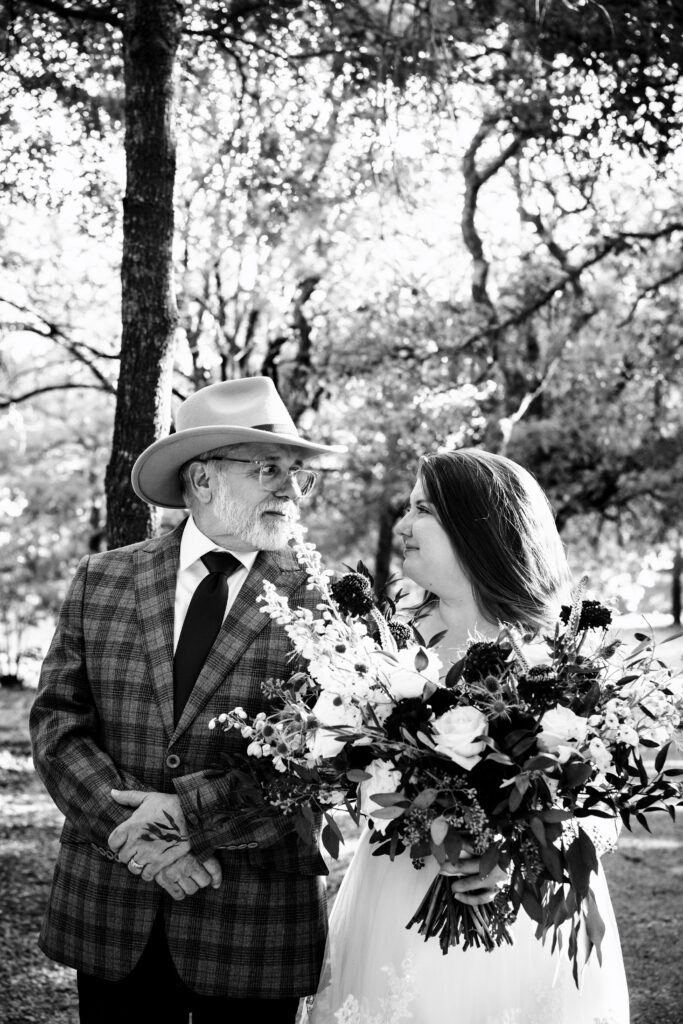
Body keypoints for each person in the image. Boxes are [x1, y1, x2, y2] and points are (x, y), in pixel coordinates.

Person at [30, 376, 344, 1024]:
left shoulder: (331, 600)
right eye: (268, 470)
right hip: (114, 911)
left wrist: (187, 822)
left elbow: (328, 758)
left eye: (298, 474)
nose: (290, 489)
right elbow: (57, 722)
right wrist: (130, 834)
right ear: (202, 481)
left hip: (254, 925)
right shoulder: (103, 577)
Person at [307, 449, 629, 1024]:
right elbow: (355, 777)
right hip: (396, 896)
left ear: (476, 526)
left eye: (422, 509)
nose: (402, 525)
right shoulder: (383, 644)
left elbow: (601, 809)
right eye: (407, 508)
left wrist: (516, 853)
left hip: (528, 916)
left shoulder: (560, 651)